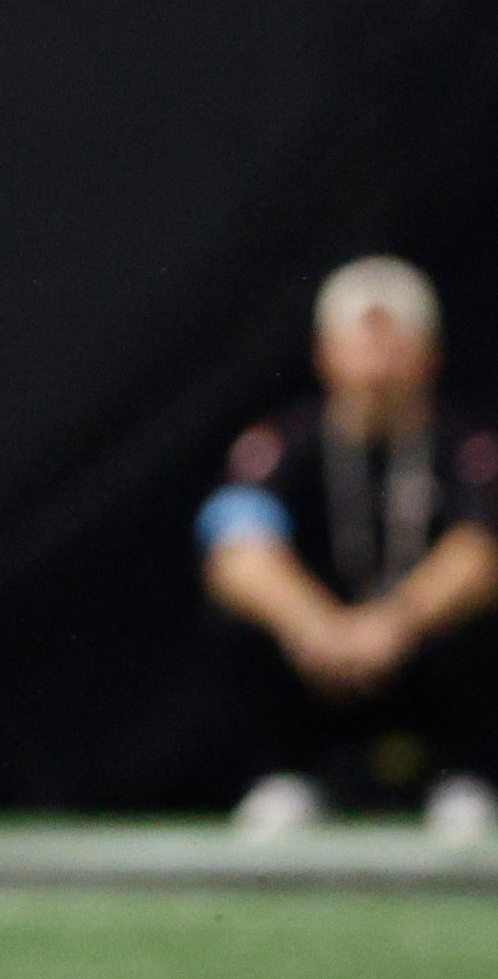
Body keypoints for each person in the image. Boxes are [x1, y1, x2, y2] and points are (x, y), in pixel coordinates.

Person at [199, 258, 498, 844]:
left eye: (396, 344)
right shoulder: (280, 445)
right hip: (320, 656)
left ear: (429, 354)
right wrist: (317, 624)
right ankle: (283, 777)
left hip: (421, 652)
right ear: (325, 352)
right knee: (235, 609)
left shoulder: (468, 447)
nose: (377, 364)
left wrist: (396, 623)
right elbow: (235, 551)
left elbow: (480, 551)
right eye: (362, 343)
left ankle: (467, 780)